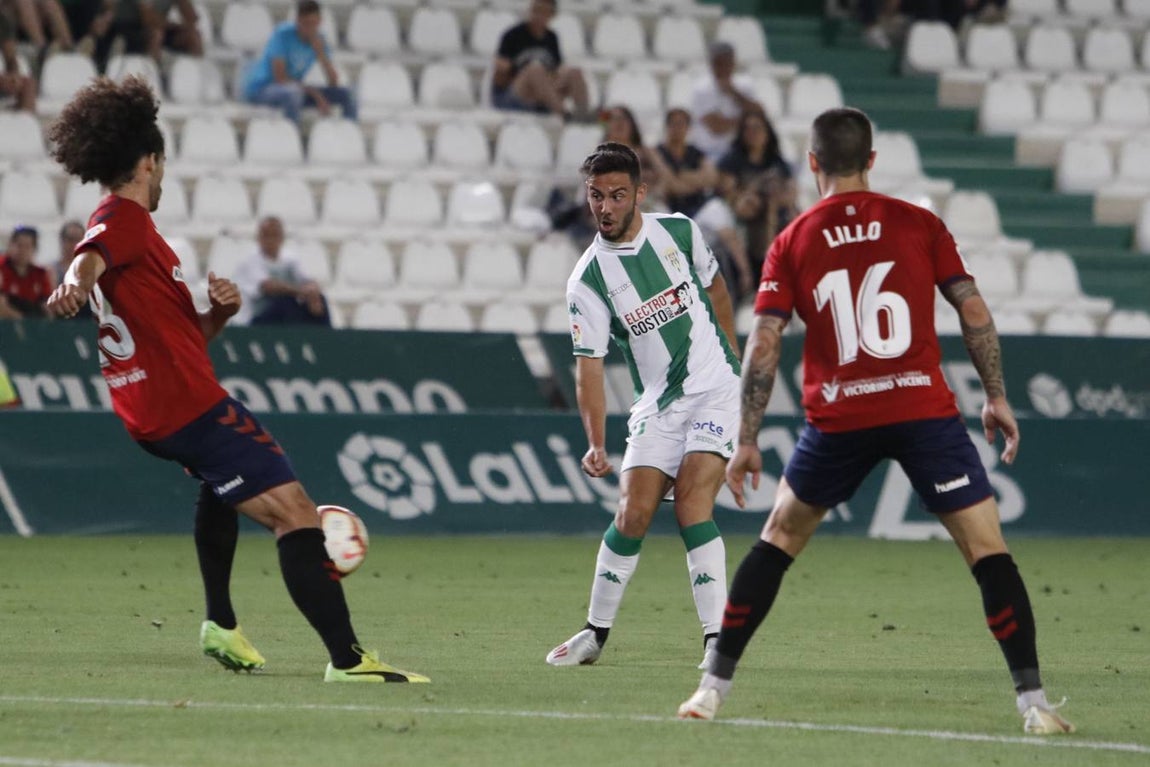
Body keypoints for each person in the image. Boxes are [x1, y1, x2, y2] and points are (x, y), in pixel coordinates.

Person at [677, 107, 1074, 736]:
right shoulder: (920, 223)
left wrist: (747, 438)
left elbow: (765, 340)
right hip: (922, 408)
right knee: (987, 551)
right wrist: (995, 394)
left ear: (812, 164)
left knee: (778, 539)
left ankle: (710, 690)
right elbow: (972, 307)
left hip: (840, 416)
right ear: (871, 160)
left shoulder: (794, 239)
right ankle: (1035, 703)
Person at [45, 75, 425, 683]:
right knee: (297, 513)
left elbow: (181, 338)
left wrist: (218, 313)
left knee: (220, 484)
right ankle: (348, 660)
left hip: (152, 407)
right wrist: (73, 283)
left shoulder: (136, 236)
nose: (162, 176)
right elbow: (89, 255)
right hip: (186, 405)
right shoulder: (124, 221)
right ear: (149, 161)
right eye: (161, 166)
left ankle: (221, 622)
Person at [546, 142, 741, 671]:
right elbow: (589, 366)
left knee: (692, 505)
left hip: (716, 387)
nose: (604, 207)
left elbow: (717, 286)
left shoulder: (679, 231)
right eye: (595, 196)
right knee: (632, 513)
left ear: (639, 194)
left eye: (616, 195)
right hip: (658, 404)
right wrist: (595, 442)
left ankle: (718, 641)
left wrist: (731, 353)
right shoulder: (587, 279)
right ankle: (593, 634)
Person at [656, 107, 753, 303]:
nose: (677, 128)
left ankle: (745, 274)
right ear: (666, 127)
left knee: (718, 212)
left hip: (699, 209)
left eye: (682, 124)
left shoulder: (695, 153)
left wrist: (683, 178)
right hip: (672, 211)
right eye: (673, 124)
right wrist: (691, 181)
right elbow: (670, 186)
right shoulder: (658, 152)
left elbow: (712, 178)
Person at [717, 108, 798, 288]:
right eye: (748, 128)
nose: (753, 133)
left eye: (757, 128)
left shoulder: (776, 162)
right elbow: (728, 194)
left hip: (775, 212)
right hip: (744, 215)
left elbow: (791, 192)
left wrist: (773, 199)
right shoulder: (732, 160)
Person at [241, 0, 355, 125]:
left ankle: (350, 134)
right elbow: (281, 79)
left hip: (296, 89)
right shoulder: (282, 35)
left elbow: (333, 82)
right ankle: (292, 139)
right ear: (298, 21)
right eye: (306, 24)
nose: (311, 28)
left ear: (319, 22)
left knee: (346, 95)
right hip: (263, 89)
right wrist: (316, 95)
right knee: (293, 93)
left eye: (314, 23)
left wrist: (322, 55)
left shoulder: (319, 39)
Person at [491, 0, 588, 119]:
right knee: (535, 70)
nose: (537, 16)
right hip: (512, 96)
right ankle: (564, 115)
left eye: (543, 12)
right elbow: (500, 71)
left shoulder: (552, 38)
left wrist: (550, 82)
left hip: (542, 96)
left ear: (552, 15)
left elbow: (556, 71)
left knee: (575, 72)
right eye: (535, 10)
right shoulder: (513, 35)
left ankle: (583, 116)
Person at [234, 215, 330, 326]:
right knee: (285, 301)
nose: (270, 240)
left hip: (279, 314)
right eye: (266, 235)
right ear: (259, 238)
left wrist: (313, 292)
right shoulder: (250, 261)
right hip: (254, 318)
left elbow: (307, 280)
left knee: (320, 299)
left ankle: (326, 337)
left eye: (274, 235)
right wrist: (301, 292)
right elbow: (268, 287)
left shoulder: (290, 258)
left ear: (281, 238)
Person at [690, 41, 759, 164]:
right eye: (718, 64)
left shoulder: (744, 85)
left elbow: (760, 115)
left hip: (740, 151)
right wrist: (745, 121)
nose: (723, 68)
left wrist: (734, 93)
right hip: (707, 152)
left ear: (733, 63)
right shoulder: (702, 89)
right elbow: (716, 127)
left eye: (727, 63)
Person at [93, 0, 202, 71]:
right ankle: (153, 77)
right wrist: (172, 25)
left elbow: (192, 18)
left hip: (159, 25)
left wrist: (188, 26)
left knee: (193, 36)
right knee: (156, 35)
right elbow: (147, 18)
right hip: (130, 25)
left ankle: (197, 76)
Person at [0, 225, 53, 318]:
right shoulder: (2, 267)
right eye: (19, 245)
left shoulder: (40, 274)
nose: (22, 251)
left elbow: (47, 306)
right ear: (10, 245)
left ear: (34, 249)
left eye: (27, 246)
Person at [54, 219, 91, 320]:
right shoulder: (52, 271)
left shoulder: (91, 272)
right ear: (62, 241)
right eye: (70, 239)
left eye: (78, 240)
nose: (74, 244)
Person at [0, 9, 37, 112]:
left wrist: (14, 75)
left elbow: (11, 58)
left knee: (27, 85)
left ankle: (25, 124)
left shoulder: (2, 20)